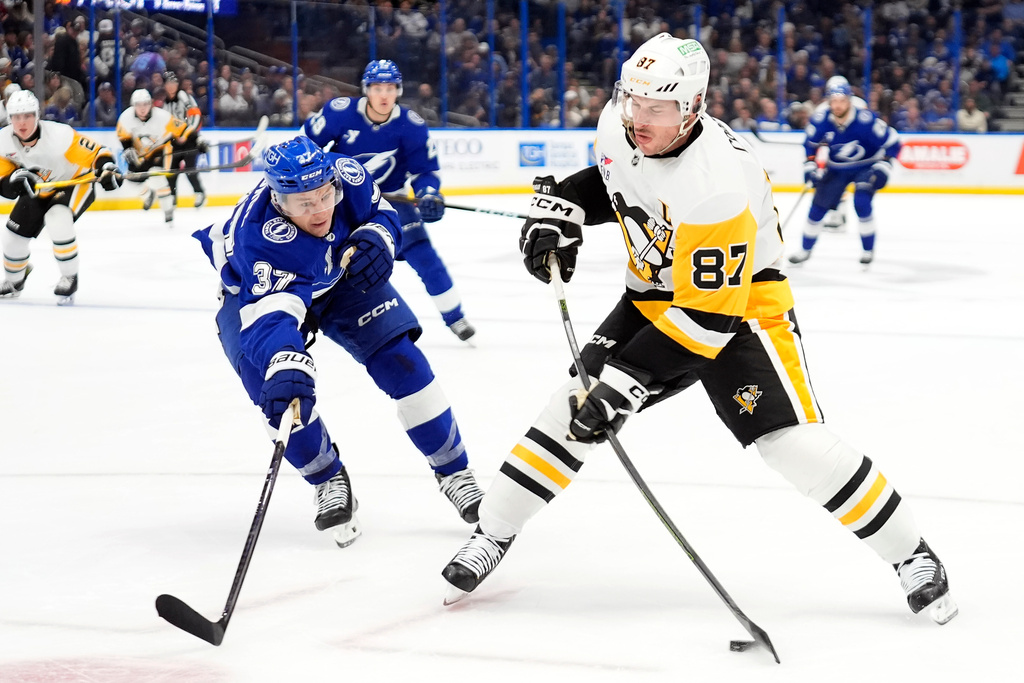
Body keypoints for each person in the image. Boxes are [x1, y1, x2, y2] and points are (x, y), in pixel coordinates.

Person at [440, 33, 957, 627]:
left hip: (740, 310)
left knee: (793, 446)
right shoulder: (621, 121)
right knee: (573, 408)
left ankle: (911, 554)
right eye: (631, 100)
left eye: (655, 108)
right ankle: (493, 533)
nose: (637, 117)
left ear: (693, 107)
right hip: (654, 296)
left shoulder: (718, 183)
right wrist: (561, 211)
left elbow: (710, 317)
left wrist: (628, 381)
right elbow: (617, 183)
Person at [192, 136, 485, 548]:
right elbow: (272, 316)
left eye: (325, 195)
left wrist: (379, 239)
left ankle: (455, 472)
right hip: (255, 298)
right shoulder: (258, 237)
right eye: (305, 203)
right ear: (279, 201)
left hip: (338, 280)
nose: (321, 209)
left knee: (403, 362)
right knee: (277, 396)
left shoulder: (347, 174)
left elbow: (383, 212)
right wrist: (284, 361)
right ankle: (327, 478)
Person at [302, 60, 476, 342]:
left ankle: (455, 317)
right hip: (345, 202)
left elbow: (425, 172)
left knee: (426, 258)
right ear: (366, 90)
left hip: (392, 205)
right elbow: (305, 145)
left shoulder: (411, 126)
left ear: (398, 91)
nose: (384, 95)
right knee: (320, 256)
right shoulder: (340, 113)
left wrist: (429, 193)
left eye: (390, 88)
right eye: (377, 88)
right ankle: (304, 309)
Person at [0, 91, 122, 303]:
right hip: (40, 188)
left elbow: (96, 154)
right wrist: (11, 182)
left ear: (37, 115)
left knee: (57, 219)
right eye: (16, 117)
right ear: (9, 119)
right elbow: (3, 178)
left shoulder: (59, 135)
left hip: (74, 182)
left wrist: (107, 168)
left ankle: (69, 276)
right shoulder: (3, 141)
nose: (22, 122)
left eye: (27, 115)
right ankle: (14, 280)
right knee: (13, 239)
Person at [788, 80, 901, 267]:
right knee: (817, 208)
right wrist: (810, 167)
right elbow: (810, 146)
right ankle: (805, 250)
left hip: (866, 166)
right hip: (837, 168)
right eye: (834, 100)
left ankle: (867, 250)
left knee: (862, 202)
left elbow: (893, 141)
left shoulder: (865, 120)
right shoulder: (820, 120)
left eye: (841, 100)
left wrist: (884, 166)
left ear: (849, 100)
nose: (838, 105)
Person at [808, 75, 872, 235]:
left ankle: (839, 216)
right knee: (831, 184)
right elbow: (817, 135)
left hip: (855, 153)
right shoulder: (823, 110)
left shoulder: (858, 106)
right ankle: (838, 215)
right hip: (835, 153)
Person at [115, 89, 187, 226]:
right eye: (138, 105)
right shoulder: (125, 118)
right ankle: (148, 194)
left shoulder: (163, 117)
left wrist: (197, 140)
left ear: (151, 104)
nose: (142, 108)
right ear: (133, 105)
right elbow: (123, 136)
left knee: (157, 176)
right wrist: (128, 148)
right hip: (139, 154)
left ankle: (168, 210)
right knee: (132, 182)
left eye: (145, 104)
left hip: (159, 151)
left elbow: (183, 129)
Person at [161, 72, 207, 208]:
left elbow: (196, 116)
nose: (171, 86)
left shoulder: (184, 97)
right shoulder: (165, 103)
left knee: (189, 168)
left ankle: (199, 193)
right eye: (169, 83)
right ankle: (172, 197)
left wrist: (186, 134)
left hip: (190, 139)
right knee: (172, 171)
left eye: (174, 83)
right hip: (175, 141)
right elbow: (165, 123)